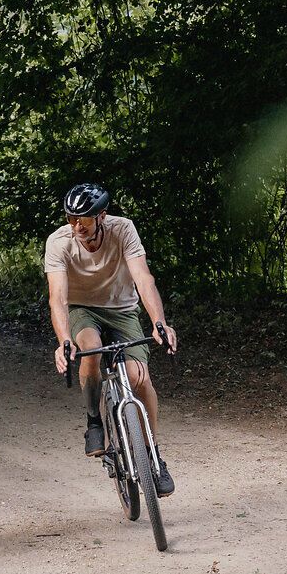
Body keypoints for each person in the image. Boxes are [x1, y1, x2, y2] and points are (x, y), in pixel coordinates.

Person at [44, 183, 179, 496]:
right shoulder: (59, 242)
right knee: (90, 349)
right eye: (71, 218)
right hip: (82, 310)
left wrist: (159, 323)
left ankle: (152, 454)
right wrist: (64, 340)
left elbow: (143, 279)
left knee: (139, 377)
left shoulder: (123, 230)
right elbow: (57, 297)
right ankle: (94, 420)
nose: (77, 225)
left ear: (101, 216)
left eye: (84, 219)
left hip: (122, 309)